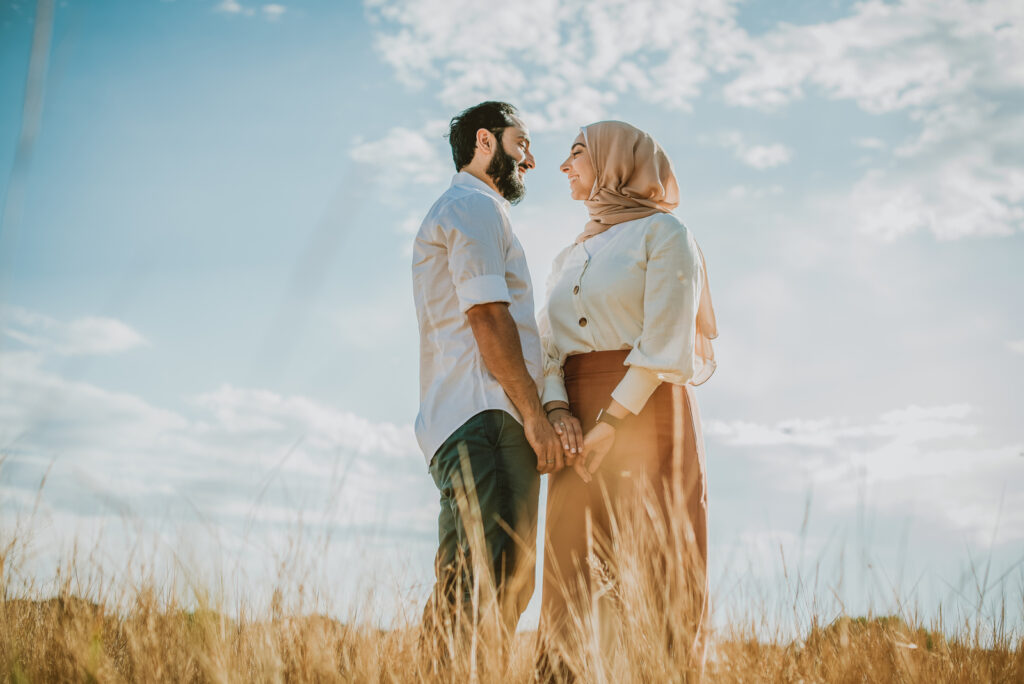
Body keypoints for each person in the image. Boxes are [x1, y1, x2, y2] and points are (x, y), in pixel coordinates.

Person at [536, 120, 718, 678]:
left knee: (658, 569)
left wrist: (612, 421)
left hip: (649, 414)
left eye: (576, 155)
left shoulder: (667, 236)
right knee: (569, 571)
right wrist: (558, 409)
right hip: (576, 416)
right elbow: (546, 344)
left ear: (615, 162)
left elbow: (666, 341)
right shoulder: (570, 254)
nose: (564, 167)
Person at [412, 101, 566, 666]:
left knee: (481, 584)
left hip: (471, 419)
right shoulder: (474, 206)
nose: (530, 157)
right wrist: (533, 414)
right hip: (490, 420)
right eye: (521, 142)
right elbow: (488, 317)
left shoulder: (468, 208)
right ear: (486, 140)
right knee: (488, 584)